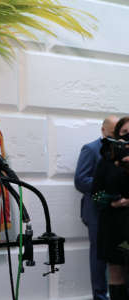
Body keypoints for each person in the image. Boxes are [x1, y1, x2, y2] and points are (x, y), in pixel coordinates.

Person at [75, 116, 118, 300]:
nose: (116, 137)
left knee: (120, 254)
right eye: (112, 133)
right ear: (103, 130)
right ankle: (100, 296)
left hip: (120, 211)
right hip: (97, 212)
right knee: (99, 256)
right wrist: (108, 183)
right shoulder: (90, 149)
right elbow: (81, 181)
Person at [92, 116, 129, 300]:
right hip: (113, 224)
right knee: (115, 272)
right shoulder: (106, 160)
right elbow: (95, 193)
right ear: (117, 136)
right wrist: (111, 201)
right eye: (124, 132)